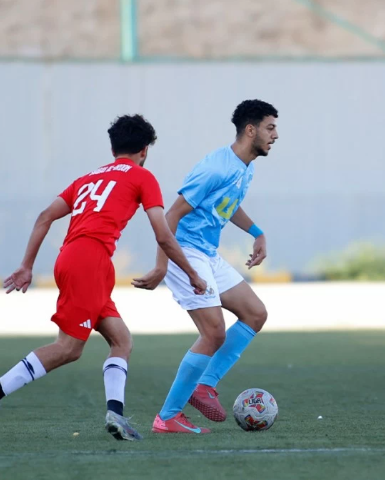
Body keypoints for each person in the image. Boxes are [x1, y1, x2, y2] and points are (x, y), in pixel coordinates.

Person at [0, 114, 208, 441]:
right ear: (144, 150)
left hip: (77, 259)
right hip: (90, 261)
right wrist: (192, 273)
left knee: (121, 341)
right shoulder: (142, 176)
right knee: (69, 348)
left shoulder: (87, 179)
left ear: (113, 149)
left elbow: (44, 217)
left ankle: (116, 415)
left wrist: (27, 265)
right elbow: (164, 234)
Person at [133, 100, 279, 434]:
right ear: (251, 130)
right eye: (270, 128)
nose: (276, 135)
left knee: (255, 314)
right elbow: (171, 215)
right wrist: (161, 266)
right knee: (213, 332)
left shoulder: (246, 167)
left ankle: (204, 385)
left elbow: (228, 205)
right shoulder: (216, 167)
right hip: (184, 251)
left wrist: (257, 233)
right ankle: (167, 418)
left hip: (207, 253)